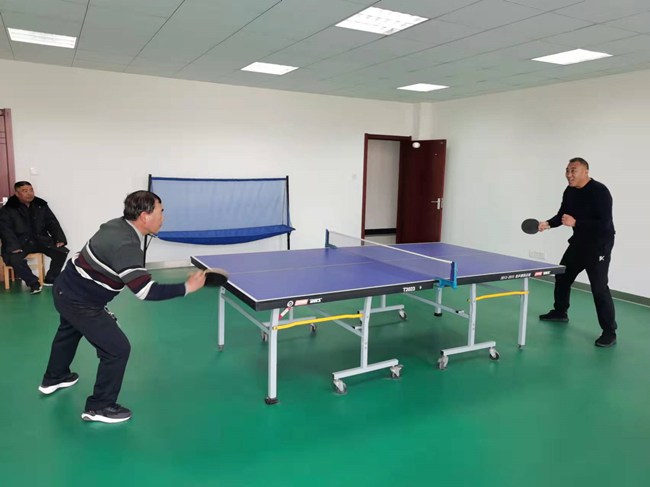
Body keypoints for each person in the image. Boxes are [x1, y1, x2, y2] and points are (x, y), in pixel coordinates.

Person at [38, 190, 207, 424]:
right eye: (161, 212)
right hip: (80, 300)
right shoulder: (126, 245)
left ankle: (55, 377)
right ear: (145, 216)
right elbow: (145, 291)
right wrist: (187, 287)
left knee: (69, 330)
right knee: (117, 349)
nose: (163, 218)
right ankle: (99, 406)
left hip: (65, 287)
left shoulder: (116, 225)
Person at [538, 158, 617, 347]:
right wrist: (548, 224)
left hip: (599, 245)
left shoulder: (600, 191)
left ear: (585, 172)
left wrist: (576, 223)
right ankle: (560, 312)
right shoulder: (570, 191)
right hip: (579, 242)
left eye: (573, 170)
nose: (569, 175)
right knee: (562, 276)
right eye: (567, 170)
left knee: (599, 287)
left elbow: (605, 223)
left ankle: (609, 332)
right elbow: (562, 215)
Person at [0, 181, 69, 293]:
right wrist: (14, 247)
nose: (29, 193)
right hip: (20, 243)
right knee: (15, 259)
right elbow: (5, 230)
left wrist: (59, 239)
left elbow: (52, 223)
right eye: (25, 191)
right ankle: (33, 283)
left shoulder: (41, 205)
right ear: (17, 194)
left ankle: (50, 279)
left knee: (61, 251)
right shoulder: (8, 209)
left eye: (31, 190)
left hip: (40, 240)